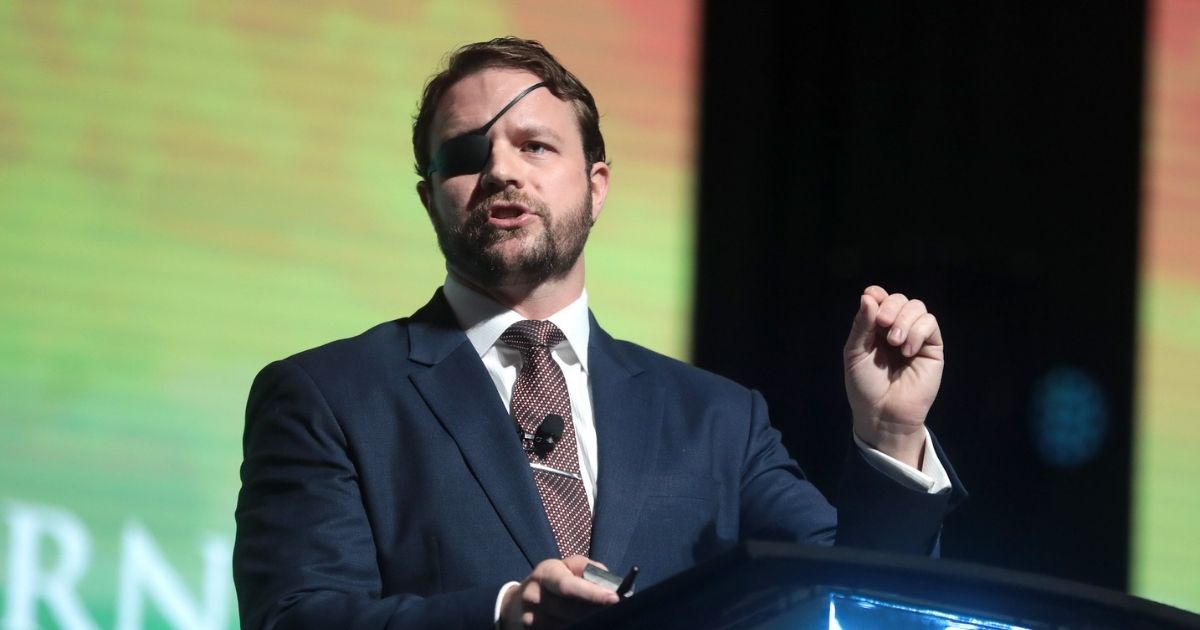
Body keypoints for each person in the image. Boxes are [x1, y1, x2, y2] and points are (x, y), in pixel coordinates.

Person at [233, 36, 965, 630]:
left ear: (597, 185)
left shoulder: (717, 419)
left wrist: (891, 434)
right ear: (431, 200)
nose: (499, 171)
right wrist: (501, 615)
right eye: (464, 154)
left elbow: (866, 606)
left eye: (536, 146)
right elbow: (295, 617)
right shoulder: (326, 397)